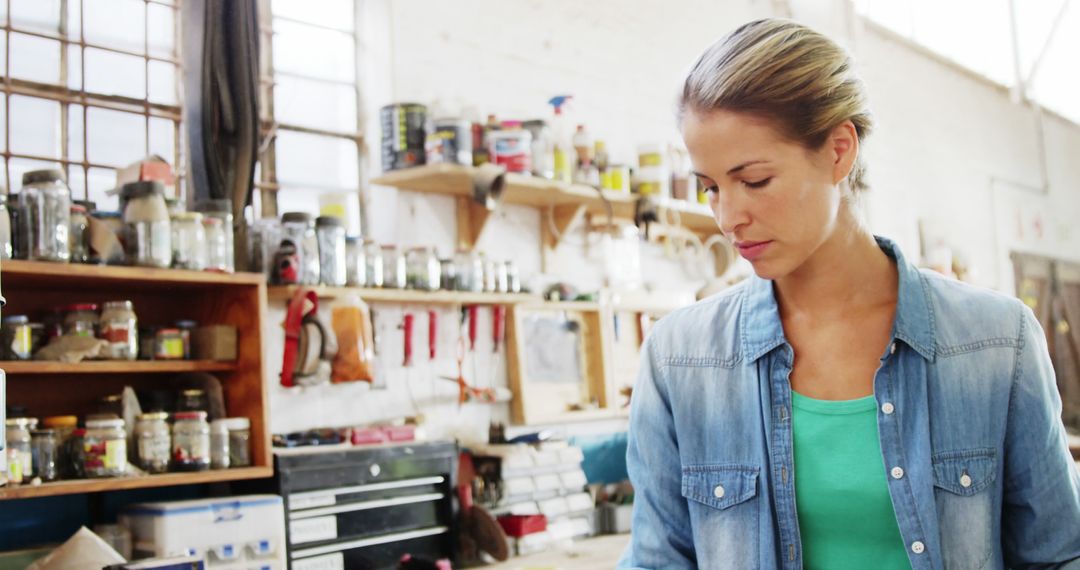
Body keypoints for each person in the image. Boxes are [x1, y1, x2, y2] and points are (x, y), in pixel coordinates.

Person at [620, 18, 1080, 570]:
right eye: (711, 187)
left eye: (756, 180)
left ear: (839, 150)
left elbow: (1056, 556)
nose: (727, 216)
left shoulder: (995, 342)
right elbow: (658, 561)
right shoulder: (680, 359)